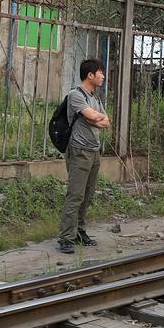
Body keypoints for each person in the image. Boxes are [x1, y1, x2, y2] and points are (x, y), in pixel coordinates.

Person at [58, 58, 109, 254]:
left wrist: (94, 119)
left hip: (94, 151)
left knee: (87, 195)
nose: (102, 76)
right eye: (100, 72)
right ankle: (66, 238)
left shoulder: (95, 98)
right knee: (75, 195)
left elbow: (105, 122)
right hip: (79, 151)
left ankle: (80, 232)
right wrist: (95, 118)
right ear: (90, 75)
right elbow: (95, 116)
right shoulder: (75, 95)